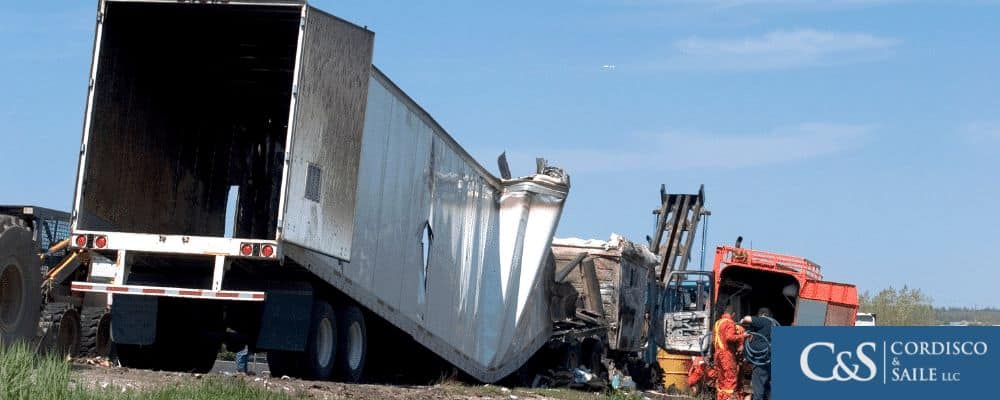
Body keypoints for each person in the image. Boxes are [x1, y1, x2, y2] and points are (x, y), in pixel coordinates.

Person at [741, 308, 779, 400]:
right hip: (770, 358)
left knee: (758, 387)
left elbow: (747, 318)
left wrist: (742, 320)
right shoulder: (775, 324)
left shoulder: (764, 320)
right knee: (767, 385)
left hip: (761, 361)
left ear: (761, 315)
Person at [713, 304, 745, 400]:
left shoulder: (717, 323)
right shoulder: (730, 322)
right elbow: (729, 337)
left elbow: (713, 339)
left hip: (717, 354)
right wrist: (743, 336)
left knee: (721, 380)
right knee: (730, 380)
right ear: (733, 314)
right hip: (726, 355)